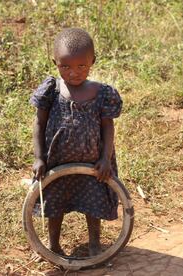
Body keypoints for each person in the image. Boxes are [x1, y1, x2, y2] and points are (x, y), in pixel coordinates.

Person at [30, 27, 122, 257]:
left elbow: (108, 126)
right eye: (66, 66)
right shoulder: (52, 90)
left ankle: (94, 245)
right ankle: (53, 245)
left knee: (92, 203)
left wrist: (105, 158)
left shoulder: (102, 93)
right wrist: (39, 158)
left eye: (82, 65)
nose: (74, 72)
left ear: (93, 61)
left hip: (93, 165)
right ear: (55, 63)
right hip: (56, 163)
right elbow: (39, 124)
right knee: (55, 205)